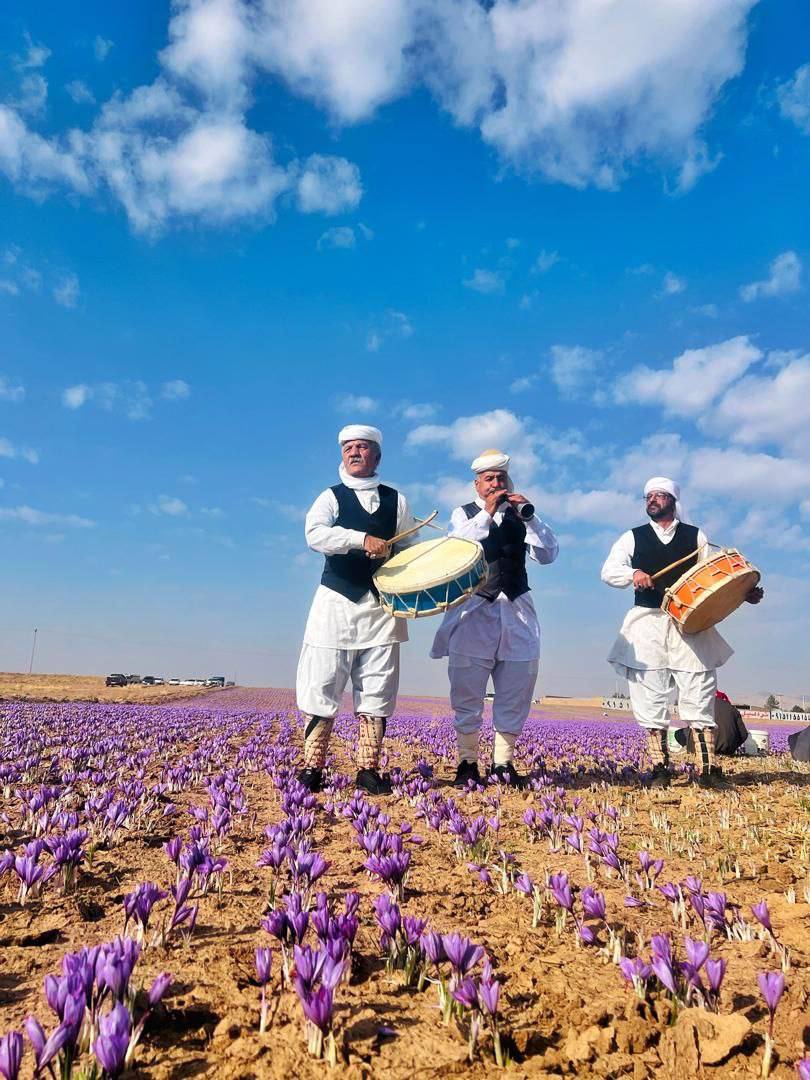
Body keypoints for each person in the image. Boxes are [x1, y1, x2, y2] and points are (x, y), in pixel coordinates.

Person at [601, 477, 763, 789]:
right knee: (651, 695)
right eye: (648, 496)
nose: (652, 500)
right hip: (647, 622)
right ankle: (660, 769)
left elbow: (716, 581)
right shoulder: (631, 537)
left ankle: (707, 771)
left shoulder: (696, 537)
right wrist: (632, 573)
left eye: (659, 495)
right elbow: (609, 571)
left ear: (673, 500)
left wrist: (743, 592)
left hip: (689, 625)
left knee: (700, 691)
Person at [295, 424, 417, 795]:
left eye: (362, 447)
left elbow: (411, 547)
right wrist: (359, 539)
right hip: (335, 604)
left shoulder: (398, 500)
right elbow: (315, 535)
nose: (354, 453)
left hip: (381, 608)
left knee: (378, 686)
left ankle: (367, 769)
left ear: (377, 456)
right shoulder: (330, 497)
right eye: (348, 447)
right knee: (323, 682)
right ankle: (312, 767)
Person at [431, 448, 559, 786]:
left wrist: (530, 517)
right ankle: (467, 762)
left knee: (516, 687)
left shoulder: (522, 516)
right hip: (475, 609)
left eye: (501, 478)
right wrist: (487, 512)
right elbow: (456, 547)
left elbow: (548, 554)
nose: (496, 483)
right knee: (468, 691)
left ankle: (503, 763)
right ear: (477, 485)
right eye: (489, 479)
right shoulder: (464, 514)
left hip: (517, 609)